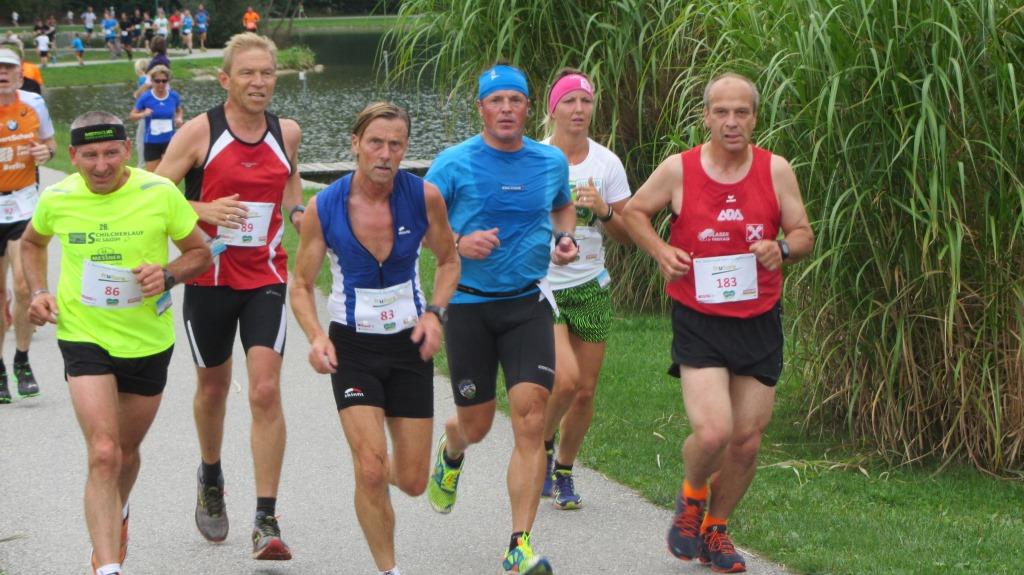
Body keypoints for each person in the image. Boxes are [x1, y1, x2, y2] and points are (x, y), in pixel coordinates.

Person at [622, 73, 814, 573]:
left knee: (746, 442)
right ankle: (691, 498)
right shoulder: (679, 169)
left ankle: (716, 529)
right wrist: (660, 250)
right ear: (706, 116)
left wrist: (781, 248)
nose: (732, 122)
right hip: (700, 318)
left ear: (754, 118)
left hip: (759, 318)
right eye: (722, 112)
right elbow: (634, 213)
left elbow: (803, 232)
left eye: (741, 112)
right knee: (713, 433)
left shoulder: (775, 170)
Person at [20, 110, 211, 575]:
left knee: (124, 452)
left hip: (147, 339)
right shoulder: (58, 197)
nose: (101, 165)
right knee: (103, 452)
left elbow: (200, 254)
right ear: (72, 156)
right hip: (83, 335)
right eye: (90, 155)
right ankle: (107, 567)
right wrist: (39, 290)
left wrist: (168, 274)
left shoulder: (158, 192)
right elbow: (31, 243)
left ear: (128, 149)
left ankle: (117, 511)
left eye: (111, 152)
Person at [291, 101, 460, 575]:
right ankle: (389, 569)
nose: (385, 154)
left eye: (396, 145)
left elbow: (449, 260)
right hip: (354, 348)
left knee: (411, 482)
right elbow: (300, 285)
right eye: (376, 143)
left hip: (409, 345)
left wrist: (435, 315)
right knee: (370, 468)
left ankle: (444, 456)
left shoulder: (424, 197)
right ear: (356, 144)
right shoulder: (325, 206)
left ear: (405, 148)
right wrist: (316, 337)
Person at [424, 62, 578, 575]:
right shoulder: (453, 163)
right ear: (481, 109)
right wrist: (457, 243)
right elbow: (416, 225)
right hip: (468, 306)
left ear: (528, 108)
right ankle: (452, 449)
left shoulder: (550, 161)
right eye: (496, 101)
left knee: (531, 417)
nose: (506, 109)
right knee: (477, 423)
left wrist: (564, 237)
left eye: (515, 100)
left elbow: (563, 207)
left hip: (526, 304)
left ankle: (519, 545)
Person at [155, 32, 304, 562]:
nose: (259, 82)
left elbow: (290, 182)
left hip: (265, 277)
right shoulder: (200, 132)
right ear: (225, 79)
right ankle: (211, 475)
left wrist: (298, 213)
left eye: (267, 73)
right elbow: (155, 193)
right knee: (214, 388)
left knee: (264, 389)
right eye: (247, 73)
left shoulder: (287, 132)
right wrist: (201, 209)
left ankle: (266, 518)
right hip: (209, 279)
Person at [537, 68, 633, 510]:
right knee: (565, 381)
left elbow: (627, 234)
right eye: (569, 101)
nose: (579, 109)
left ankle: (563, 471)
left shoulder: (606, 163)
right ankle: (540, 447)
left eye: (586, 101)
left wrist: (605, 210)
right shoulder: (535, 158)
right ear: (553, 108)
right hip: (545, 287)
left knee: (585, 391)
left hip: (591, 285)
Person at [0, 47, 56, 404]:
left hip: (22, 203)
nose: (2, 74)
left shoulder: (34, 104)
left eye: (8, 68)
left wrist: (45, 153)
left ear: (20, 75)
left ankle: (21, 359)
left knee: (23, 287)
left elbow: (51, 144)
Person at [129, 65, 182, 171]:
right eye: (157, 81)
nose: (161, 84)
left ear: (168, 81)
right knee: (153, 175)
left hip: (169, 141)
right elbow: (132, 116)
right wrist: (143, 114)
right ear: (152, 81)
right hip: (152, 142)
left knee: (168, 174)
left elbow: (179, 110)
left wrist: (179, 118)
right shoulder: (146, 97)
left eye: (164, 81)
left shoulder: (173, 96)